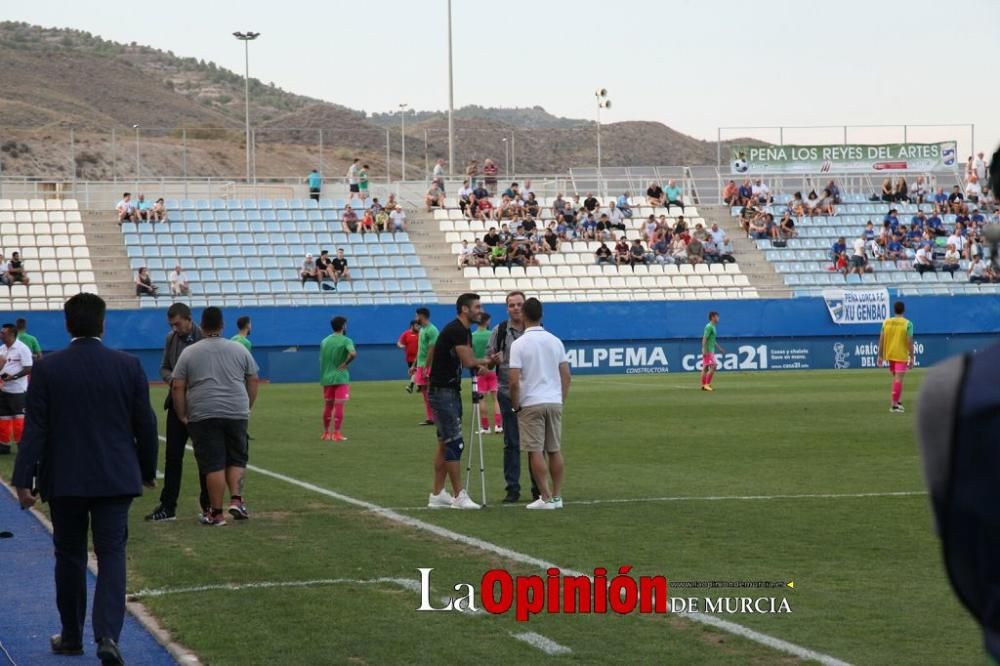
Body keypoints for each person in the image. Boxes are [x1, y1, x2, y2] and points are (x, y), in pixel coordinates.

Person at [13, 293, 157, 666]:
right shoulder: (128, 365)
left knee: (70, 555)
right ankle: (107, 634)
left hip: (65, 478)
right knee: (112, 555)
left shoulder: (48, 368)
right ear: (103, 323)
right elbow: (145, 422)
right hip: (114, 478)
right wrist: (146, 471)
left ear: (66, 324)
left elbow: (36, 428)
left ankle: (72, 636)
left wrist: (22, 478)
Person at [171, 307, 259, 526]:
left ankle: (216, 512)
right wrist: (247, 405)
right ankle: (237, 500)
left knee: (213, 463)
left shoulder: (190, 352)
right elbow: (253, 379)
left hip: (203, 412)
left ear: (203, 324)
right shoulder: (238, 349)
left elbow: (178, 386)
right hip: (235, 410)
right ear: (222, 325)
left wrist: (182, 413)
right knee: (237, 457)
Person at [145, 303, 207, 522]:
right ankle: (167, 506)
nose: (175, 328)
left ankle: (208, 505)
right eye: (172, 325)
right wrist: (174, 380)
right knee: (173, 457)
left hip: (200, 405)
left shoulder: (204, 338)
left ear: (189, 319)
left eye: (177, 324)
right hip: (175, 403)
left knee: (204, 457)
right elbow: (163, 367)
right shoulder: (170, 339)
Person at [425, 293, 488, 510]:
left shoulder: (462, 330)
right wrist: (487, 360)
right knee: (454, 442)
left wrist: (479, 364)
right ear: (464, 309)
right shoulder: (458, 330)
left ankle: (437, 494)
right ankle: (459, 495)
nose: (480, 310)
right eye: (477, 307)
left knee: (444, 442)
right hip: (444, 392)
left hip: (446, 389)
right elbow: (469, 360)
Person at [508, 298, 570, 510]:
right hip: (553, 400)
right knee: (554, 449)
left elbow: (514, 381)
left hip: (531, 402)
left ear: (524, 315)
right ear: (541, 315)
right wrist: (560, 399)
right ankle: (557, 495)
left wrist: (516, 405)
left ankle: (545, 495)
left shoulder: (518, 345)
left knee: (534, 450)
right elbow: (566, 376)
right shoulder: (555, 341)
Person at [486, 291, 540, 503]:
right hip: (508, 391)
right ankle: (513, 488)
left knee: (535, 443)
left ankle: (538, 487)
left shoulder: (536, 331)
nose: (516, 308)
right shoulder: (499, 331)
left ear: (525, 307)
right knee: (512, 442)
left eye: (519, 304)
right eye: (512, 305)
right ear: (507, 308)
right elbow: (488, 362)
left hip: (532, 393)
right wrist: (493, 361)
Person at [319, 316, 357, 442]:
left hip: (326, 377)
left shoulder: (324, 341)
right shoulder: (346, 340)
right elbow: (353, 353)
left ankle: (325, 433)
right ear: (343, 326)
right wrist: (346, 363)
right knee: (339, 405)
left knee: (328, 406)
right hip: (340, 377)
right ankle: (336, 434)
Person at [0, 323, 34, 454]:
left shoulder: (22, 348)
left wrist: (13, 377)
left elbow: (28, 368)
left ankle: (22, 445)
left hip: (18, 391)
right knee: (3, 418)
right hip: (3, 389)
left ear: (12, 335)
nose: (1, 335)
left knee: (19, 419)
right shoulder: (2, 348)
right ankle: (4, 445)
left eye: (3, 333)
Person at [877, 300, 914, 413]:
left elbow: (881, 339)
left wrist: (880, 355)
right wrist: (912, 357)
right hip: (900, 355)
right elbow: (909, 341)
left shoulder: (886, 322)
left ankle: (898, 401)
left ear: (894, 310)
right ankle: (894, 406)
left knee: (897, 378)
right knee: (899, 379)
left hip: (890, 354)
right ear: (903, 310)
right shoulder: (907, 324)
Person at [471, 312, 501, 435]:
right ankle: (498, 425)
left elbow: (471, 355)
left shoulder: (472, 336)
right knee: (496, 399)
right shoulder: (491, 334)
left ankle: (485, 427)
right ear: (487, 321)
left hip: (479, 371)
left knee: (482, 399)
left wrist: (479, 366)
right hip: (492, 369)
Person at [413, 307, 438, 426]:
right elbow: (420, 349)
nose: (415, 318)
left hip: (429, 365)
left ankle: (437, 416)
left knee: (432, 391)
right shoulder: (422, 330)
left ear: (421, 316)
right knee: (425, 392)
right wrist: (414, 365)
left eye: (416, 316)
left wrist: (427, 368)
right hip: (421, 365)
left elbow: (432, 350)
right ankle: (430, 417)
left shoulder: (432, 330)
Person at [700, 311, 725, 392]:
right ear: (713, 317)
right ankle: (706, 385)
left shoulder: (713, 327)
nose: (718, 318)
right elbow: (704, 338)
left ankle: (704, 385)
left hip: (711, 350)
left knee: (706, 367)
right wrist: (704, 349)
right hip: (708, 350)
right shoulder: (709, 326)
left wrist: (719, 348)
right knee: (714, 366)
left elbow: (712, 340)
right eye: (717, 317)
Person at [397, 320, 420, 393]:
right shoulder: (406, 334)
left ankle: (411, 386)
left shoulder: (421, 334)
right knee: (414, 373)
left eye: (419, 326)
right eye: (416, 326)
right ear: (412, 326)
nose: (418, 327)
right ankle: (420, 386)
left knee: (415, 371)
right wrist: (400, 345)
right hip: (409, 358)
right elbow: (399, 342)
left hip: (419, 357)